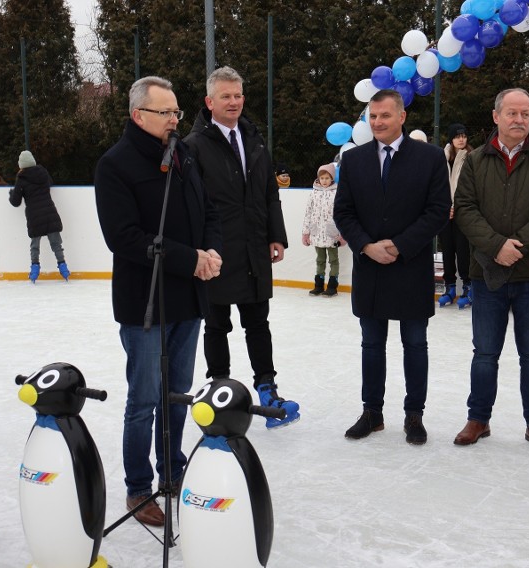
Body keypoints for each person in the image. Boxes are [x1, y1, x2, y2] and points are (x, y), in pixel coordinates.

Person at [93, 76, 222, 525]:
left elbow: (206, 209)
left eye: (175, 112)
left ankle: (172, 472)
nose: (173, 119)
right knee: (144, 399)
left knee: (176, 395)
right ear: (138, 115)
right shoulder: (116, 165)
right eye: (164, 112)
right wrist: (191, 260)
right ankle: (138, 488)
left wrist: (210, 252)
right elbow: (124, 238)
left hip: (188, 299)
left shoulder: (183, 154)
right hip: (145, 304)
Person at [452, 88, 529, 453]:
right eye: (513, 113)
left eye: (525, 114)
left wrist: (515, 245)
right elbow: (465, 208)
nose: (520, 120)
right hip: (486, 273)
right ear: (496, 116)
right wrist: (495, 246)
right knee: (485, 353)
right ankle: (478, 418)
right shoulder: (474, 160)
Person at [333, 89, 451, 444]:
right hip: (370, 269)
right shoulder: (353, 161)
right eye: (373, 116)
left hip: (410, 267)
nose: (378, 122)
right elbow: (344, 212)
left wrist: (400, 246)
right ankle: (373, 412)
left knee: (415, 344)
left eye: (385, 115)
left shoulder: (429, 158)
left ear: (401, 116)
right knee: (372, 345)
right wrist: (367, 246)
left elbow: (437, 211)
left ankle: (414, 416)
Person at [184, 66, 298, 428]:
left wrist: (275, 235)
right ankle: (218, 392)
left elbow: (269, 193)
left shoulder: (254, 138)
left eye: (237, 95)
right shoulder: (194, 146)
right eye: (225, 96)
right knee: (216, 327)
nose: (233, 102)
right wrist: (202, 251)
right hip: (215, 253)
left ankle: (267, 389)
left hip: (253, 249)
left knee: (258, 324)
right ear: (209, 102)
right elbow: (193, 204)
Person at [9, 151, 70, 282]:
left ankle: (35, 269)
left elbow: (16, 202)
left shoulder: (21, 178)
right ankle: (63, 267)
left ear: (21, 165)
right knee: (56, 244)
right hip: (49, 213)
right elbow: (50, 183)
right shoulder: (43, 173)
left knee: (35, 244)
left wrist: (11, 193)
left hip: (34, 216)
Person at [437, 123, 474, 309]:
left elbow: (471, 187)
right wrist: (445, 207)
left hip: (463, 212)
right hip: (445, 212)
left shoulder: (471, 157)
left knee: (463, 250)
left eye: (464, 136)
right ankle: (450, 286)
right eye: (458, 136)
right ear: (451, 139)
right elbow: (437, 185)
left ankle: (468, 286)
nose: (461, 139)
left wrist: (457, 207)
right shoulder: (441, 158)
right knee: (448, 250)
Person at [302, 163, 344, 297]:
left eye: (327, 178)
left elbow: (342, 213)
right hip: (316, 232)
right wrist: (306, 232)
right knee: (320, 260)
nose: (324, 181)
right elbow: (308, 212)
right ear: (318, 179)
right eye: (322, 178)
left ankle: (332, 286)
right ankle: (318, 285)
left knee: (333, 260)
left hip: (331, 233)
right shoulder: (314, 193)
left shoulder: (337, 193)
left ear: (332, 178)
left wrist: (342, 233)